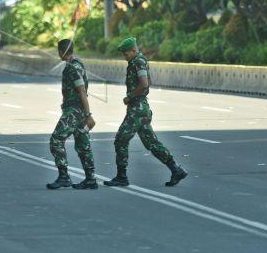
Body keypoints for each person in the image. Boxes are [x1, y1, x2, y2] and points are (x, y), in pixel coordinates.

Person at [104, 37, 188, 188]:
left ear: (134, 50)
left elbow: (144, 84)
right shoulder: (136, 62)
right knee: (152, 143)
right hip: (140, 109)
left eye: (126, 53)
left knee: (121, 139)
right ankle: (176, 169)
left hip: (137, 109)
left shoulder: (138, 62)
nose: (125, 56)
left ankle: (121, 177)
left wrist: (130, 96)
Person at [47, 39, 97, 190]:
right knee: (83, 145)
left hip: (74, 111)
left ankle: (64, 177)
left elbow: (82, 91)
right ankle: (90, 179)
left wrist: (89, 115)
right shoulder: (77, 63)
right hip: (79, 110)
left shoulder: (72, 68)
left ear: (61, 52)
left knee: (56, 139)